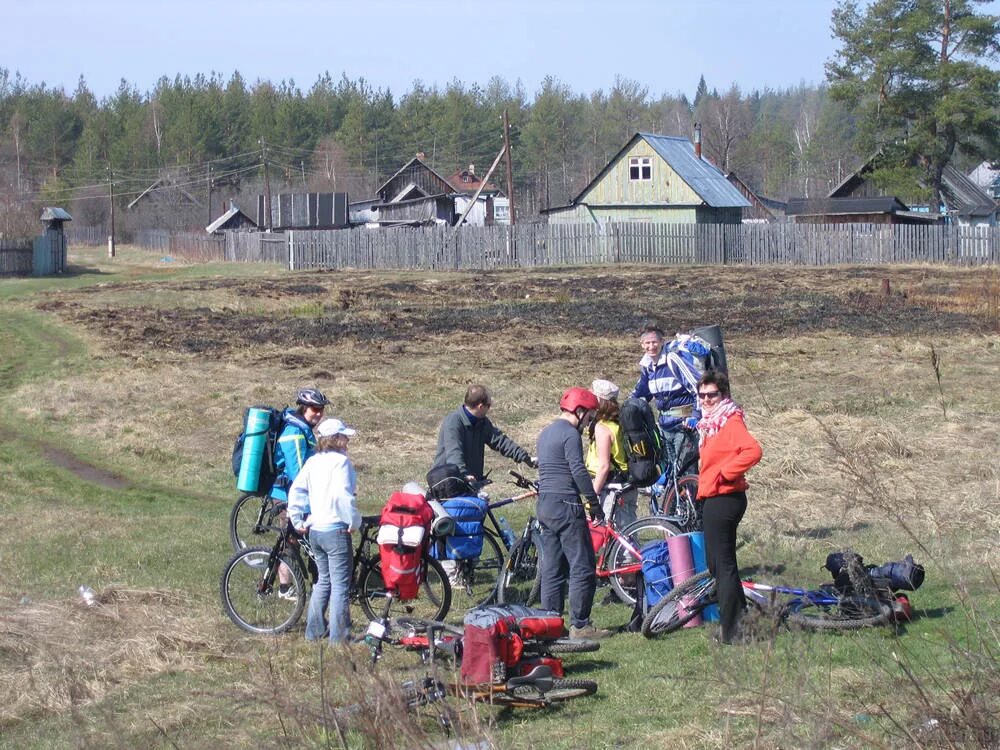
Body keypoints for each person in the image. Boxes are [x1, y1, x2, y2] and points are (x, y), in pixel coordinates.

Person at [536, 386, 610, 640]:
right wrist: (593, 502)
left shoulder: (545, 433)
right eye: (589, 415)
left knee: (553, 566)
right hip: (567, 504)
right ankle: (580, 625)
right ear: (579, 411)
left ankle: (550, 623)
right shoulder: (569, 434)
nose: (589, 421)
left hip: (545, 504)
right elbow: (578, 470)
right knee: (582, 565)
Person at [694, 370, 762, 644]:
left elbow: (753, 451)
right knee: (717, 564)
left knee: (723, 566)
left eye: (712, 394)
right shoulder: (711, 424)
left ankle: (734, 632)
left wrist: (726, 473)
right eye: (702, 395)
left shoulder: (730, 421)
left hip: (724, 498)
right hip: (714, 497)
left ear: (723, 395)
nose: (707, 400)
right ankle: (740, 621)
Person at [288, 417, 362, 644]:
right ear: (336, 439)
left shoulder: (312, 462)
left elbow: (297, 490)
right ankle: (339, 638)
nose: (347, 440)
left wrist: (297, 518)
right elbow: (343, 495)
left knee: (323, 581)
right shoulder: (341, 463)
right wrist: (354, 521)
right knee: (340, 585)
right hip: (336, 530)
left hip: (315, 530)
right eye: (344, 437)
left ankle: (314, 632)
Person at [271, 387, 329, 599]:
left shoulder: (304, 428)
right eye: (315, 409)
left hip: (298, 493)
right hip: (287, 493)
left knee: (303, 539)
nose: (319, 413)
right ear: (304, 407)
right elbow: (298, 474)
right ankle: (284, 588)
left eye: (321, 409)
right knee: (289, 539)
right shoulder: (294, 433)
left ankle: (318, 583)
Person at [630, 324, 702, 475]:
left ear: (662, 341)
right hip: (664, 426)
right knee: (670, 474)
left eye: (655, 342)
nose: (651, 346)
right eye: (647, 343)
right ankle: (675, 498)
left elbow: (698, 387)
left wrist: (696, 415)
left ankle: (692, 497)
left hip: (684, 425)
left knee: (686, 471)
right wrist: (624, 410)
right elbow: (639, 393)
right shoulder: (648, 367)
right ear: (642, 345)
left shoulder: (672, 360)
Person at [430, 384, 535, 484]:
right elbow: (454, 453)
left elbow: (500, 441)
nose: (489, 409)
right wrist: (463, 475)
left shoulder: (482, 422)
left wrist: (525, 458)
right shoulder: (454, 422)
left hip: (471, 482)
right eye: (488, 405)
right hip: (448, 483)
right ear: (480, 406)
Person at [585, 379, 637, 529]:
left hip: (610, 488)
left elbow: (604, 466)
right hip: (627, 485)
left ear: (599, 400)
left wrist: (592, 497)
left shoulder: (602, 428)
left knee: (610, 537)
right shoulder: (619, 423)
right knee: (628, 535)